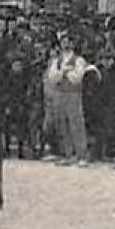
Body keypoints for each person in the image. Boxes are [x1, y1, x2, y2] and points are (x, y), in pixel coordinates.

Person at [42, 30, 98, 165]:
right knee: (62, 123)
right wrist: (64, 71)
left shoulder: (79, 60)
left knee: (76, 123)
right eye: (63, 41)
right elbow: (53, 77)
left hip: (73, 94)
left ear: (73, 44)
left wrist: (64, 73)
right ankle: (69, 153)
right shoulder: (57, 60)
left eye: (68, 41)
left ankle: (82, 154)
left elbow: (77, 77)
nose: (66, 44)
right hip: (60, 94)